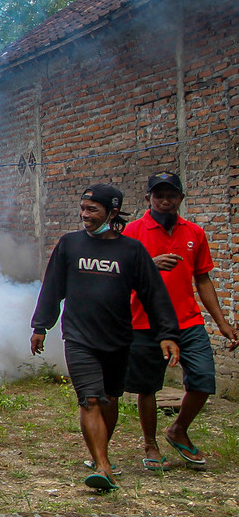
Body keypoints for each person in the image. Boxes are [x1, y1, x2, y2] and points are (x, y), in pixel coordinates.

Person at [30, 184, 180, 492]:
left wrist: (166, 334)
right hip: (79, 337)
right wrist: (40, 326)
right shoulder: (69, 245)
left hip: (118, 338)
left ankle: (102, 454)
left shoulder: (131, 251)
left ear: (112, 213)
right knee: (90, 400)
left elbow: (154, 295)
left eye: (92, 210)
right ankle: (102, 466)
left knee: (111, 399)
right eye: (83, 209)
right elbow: (52, 288)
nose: (85, 215)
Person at [123, 172, 239, 469]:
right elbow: (118, 275)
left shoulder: (194, 233)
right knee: (148, 387)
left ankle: (177, 430)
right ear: (148, 198)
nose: (165, 201)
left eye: (171, 195)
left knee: (203, 380)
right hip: (144, 322)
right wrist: (150, 265)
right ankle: (150, 444)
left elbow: (203, 279)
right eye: (158, 195)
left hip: (187, 321)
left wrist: (222, 323)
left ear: (181, 199)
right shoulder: (133, 232)